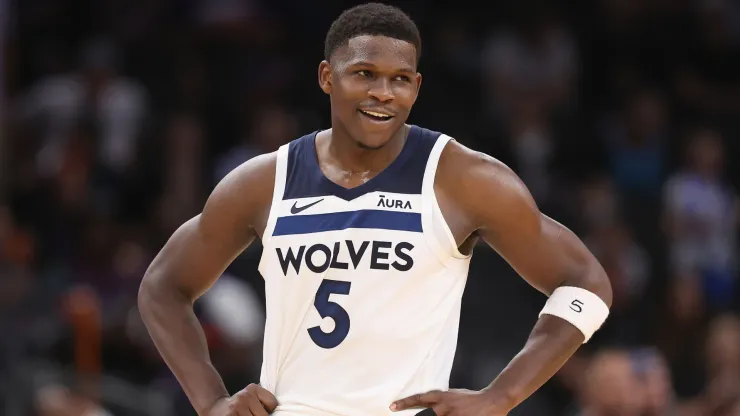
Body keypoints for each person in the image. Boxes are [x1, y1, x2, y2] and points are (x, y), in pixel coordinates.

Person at [137, 3, 612, 416]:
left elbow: (586, 283)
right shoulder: (264, 182)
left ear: (417, 87)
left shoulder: (464, 180)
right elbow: (162, 286)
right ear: (327, 77)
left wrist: (503, 394)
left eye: (400, 79)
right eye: (365, 73)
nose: (383, 92)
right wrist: (211, 401)